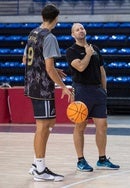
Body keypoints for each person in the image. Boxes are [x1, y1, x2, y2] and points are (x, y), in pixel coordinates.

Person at [23, 4, 73, 181]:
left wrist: (50, 68)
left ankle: (36, 164)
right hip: (42, 88)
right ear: (56, 18)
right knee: (43, 127)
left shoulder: (33, 33)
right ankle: (40, 169)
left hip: (31, 83)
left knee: (49, 121)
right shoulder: (50, 37)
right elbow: (49, 69)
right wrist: (64, 87)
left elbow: (25, 59)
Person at [65, 23, 120, 172]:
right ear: (72, 35)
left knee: (102, 125)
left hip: (97, 91)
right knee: (80, 126)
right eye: (77, 29)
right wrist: (88, 54)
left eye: (82, 28)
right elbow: (80, 67)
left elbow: (102, 70)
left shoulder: (95, 48)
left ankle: (102, 159)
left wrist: (104, 90)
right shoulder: (71, 51)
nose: (80, 31)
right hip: (82, 90)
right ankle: (80, 160)